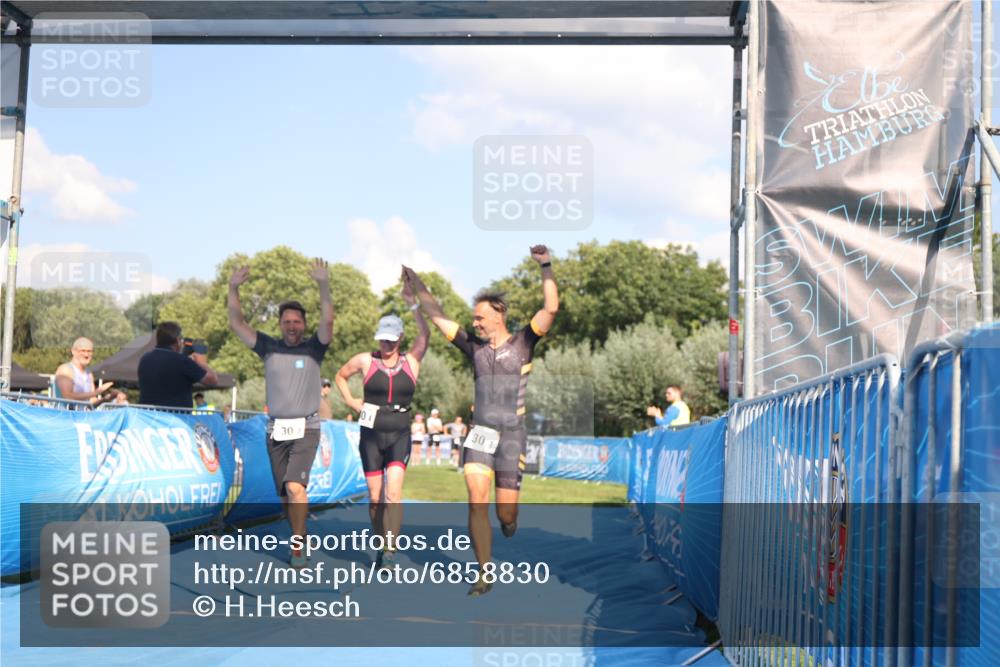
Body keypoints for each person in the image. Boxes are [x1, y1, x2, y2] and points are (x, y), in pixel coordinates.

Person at [405, 244, 558, 596]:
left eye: (479, 317)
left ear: (498, 315)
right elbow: (437, 314)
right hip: (480, 434)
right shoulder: (472, 347)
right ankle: (484, 573)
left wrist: (545, 265)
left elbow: (551, 307)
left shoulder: (524, 342)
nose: (474, 323)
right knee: (476, 498)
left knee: (505, 515)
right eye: (473, 319)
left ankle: (509, 523)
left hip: (512, 435)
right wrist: (418, 284)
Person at [228, 259, 334, 568]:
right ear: (280, 325)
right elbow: (237, 324)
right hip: (276, 429)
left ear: (303, 324)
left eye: (297, 322)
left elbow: (328, 322)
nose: (292, 326)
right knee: (286, 497)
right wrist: (233, 287)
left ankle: (297, 547)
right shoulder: (268, 347)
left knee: (295, 486)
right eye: (286, 322)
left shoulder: (315, 347)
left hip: (307, 428)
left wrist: (323, 285)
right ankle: (300, 532)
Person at [335, 274, 428, 568]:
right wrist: (350, 400)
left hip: (399, 431)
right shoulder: (366, 360)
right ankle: (380, 542)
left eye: (391, 339)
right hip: (371, 434)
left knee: (394, 492)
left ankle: (390, 548)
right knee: (375, 499)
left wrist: (413, 305)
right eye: (382, 339)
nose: (386, 344)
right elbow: (340, 375)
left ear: (400, 339)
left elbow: (424, 336)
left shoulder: (411, 362)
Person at [137, 322, 219, 408]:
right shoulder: (182, 361)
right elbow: (212, 380)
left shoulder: (145, 359)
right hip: (176, 418)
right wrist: (202, 363)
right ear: (177, 340)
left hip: (147, 417)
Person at [54, 337, 114, 406]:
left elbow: (91, 401)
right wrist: (97, 392)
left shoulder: (89, 374)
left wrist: (106, 399)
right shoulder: (65, 369)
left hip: (84, 415)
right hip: (65, 415)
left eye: (89, 351)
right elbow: (68, 396)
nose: (86, 355)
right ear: (73, 351)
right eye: (82, 351)